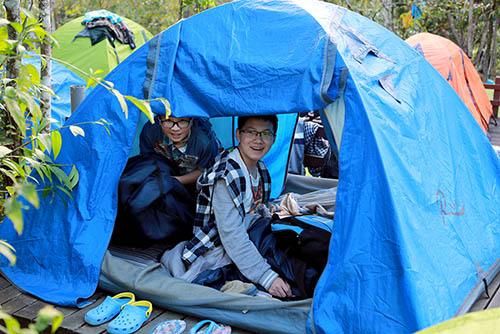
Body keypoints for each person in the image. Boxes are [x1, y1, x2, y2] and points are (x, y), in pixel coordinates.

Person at [161, 115, 293, 298]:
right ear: (238, 134)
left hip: (249, 234)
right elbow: (231, 234)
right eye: (251, 132)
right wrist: (266, 277)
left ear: (274, 138)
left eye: (265, 133)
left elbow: (257, 210)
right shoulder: (226, 174)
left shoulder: (261, 169)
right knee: (286, 271)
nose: (258, 140)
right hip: (217, 247)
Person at [139, 115, 220, 191]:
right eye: (168, 121)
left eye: (182, 121)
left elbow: (205, 170)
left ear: (191, 121)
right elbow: (147, 158)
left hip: (194, 182)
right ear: (159, 120)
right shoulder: (150, 130)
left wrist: (177, 180)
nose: (175, 128)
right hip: (161, 175)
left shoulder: (204, 141)